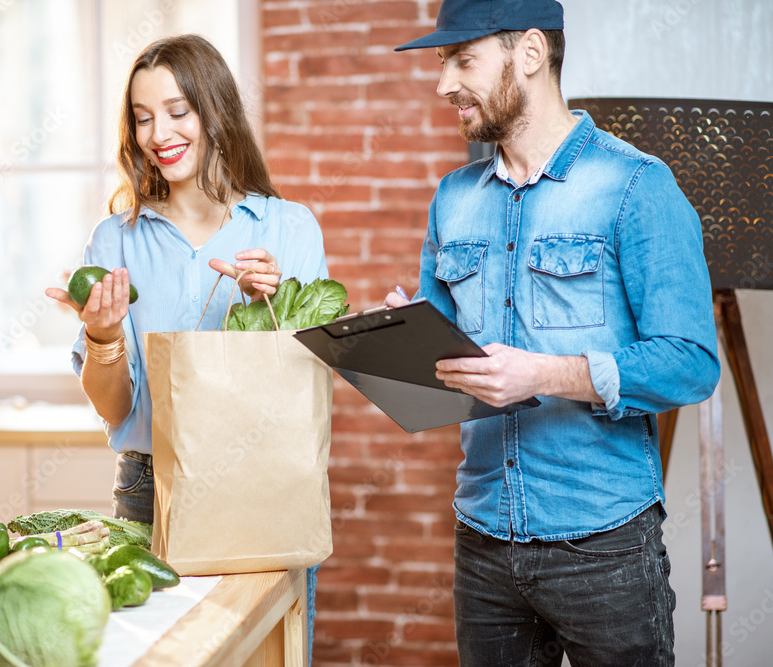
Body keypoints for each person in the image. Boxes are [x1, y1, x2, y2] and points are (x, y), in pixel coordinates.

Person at [387, 1, 720, 665]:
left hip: (605, 548)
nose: (443, 83)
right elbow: (446, 362)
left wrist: (542, 373)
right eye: (442, 62)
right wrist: (400, 333)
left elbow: (691, 361)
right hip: (482, 544)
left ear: (531, 54)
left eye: (463, 59)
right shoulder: (452, 197)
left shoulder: (636, 186)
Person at [45, 34, 327, 662]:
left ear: (214, 109)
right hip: (150, 491)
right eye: (142, 118)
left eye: (177, 112)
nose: (157, 133)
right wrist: (103, 334)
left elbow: (304, 389)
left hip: (264, 486)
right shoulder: (115, 241)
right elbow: (116, 410)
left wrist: (271, 309)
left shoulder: (289, 228)